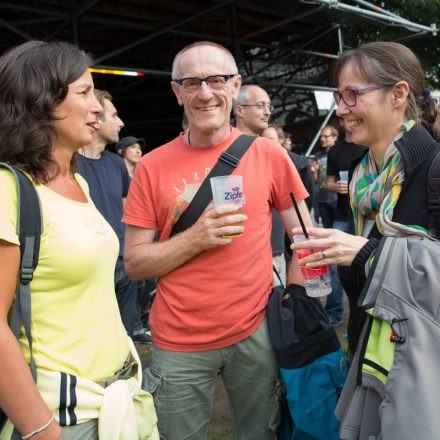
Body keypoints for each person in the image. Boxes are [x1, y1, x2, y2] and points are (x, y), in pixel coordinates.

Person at [123, 40, 311, 440]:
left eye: (216, 80)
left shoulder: (269, 155)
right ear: (177, 92)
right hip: (178, 342)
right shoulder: (151, 166)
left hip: (255, 332)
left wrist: (294, 299)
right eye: (192, 82)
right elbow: (135, 263)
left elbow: (305, 237)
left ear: (235, 85)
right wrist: (195, 238)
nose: (205, 92)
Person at [0, 40, 158, 439]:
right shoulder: (8, 189)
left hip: (119, 398)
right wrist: (42, 430)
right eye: (84, 92)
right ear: (42, 101)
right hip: (63, 416)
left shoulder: (79, 182)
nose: (99, 108)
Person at [291, 41, 440, 361]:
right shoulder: (360, 171)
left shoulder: (434, 169)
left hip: (421, 363)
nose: (341, 109)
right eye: (338, 96)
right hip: (366, 350)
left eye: (352, 95)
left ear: (398, 95)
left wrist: (365, 253)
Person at [76, 91, 140, 340]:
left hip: (123, 267)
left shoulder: (116, 163)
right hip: (90, 269)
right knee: (92, 339)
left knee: (124, 337)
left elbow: (127, 212)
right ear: (96, 119)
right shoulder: (68, 163)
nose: (121, 122)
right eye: (114, 115)